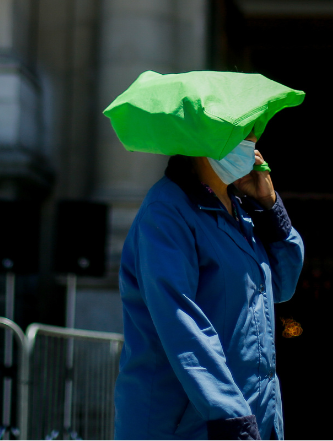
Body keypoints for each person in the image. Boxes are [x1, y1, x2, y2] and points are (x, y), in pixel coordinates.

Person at [115, 133, 305, 439]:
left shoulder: (239, 211)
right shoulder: (164, 212)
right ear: (205, 139)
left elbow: (282, 286)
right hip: (185, 424)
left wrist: (270, 207)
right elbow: (182, 326)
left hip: (249, 416)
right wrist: (234, 418)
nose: (251, 144)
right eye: (242, 134)